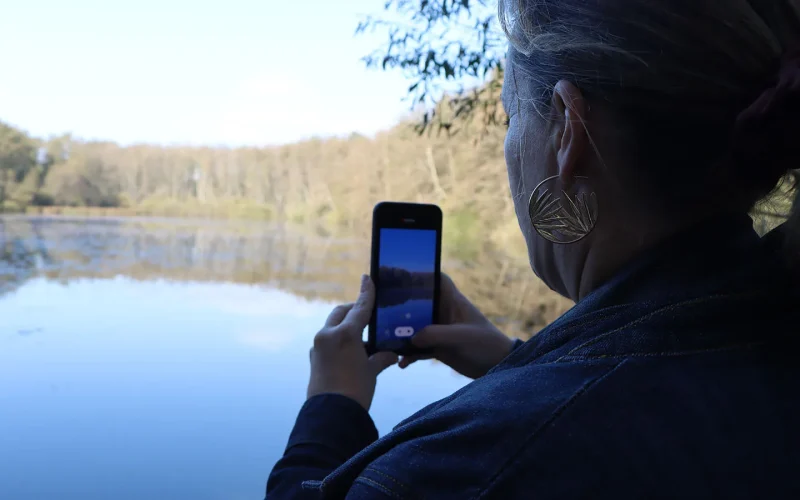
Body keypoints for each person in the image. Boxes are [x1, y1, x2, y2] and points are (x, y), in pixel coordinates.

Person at [267, 0, 800, 498]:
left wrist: (330, 405)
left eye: (509, 116)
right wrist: (516, 363)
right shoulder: (772, 330)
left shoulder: (466, 464)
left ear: (568, 130)